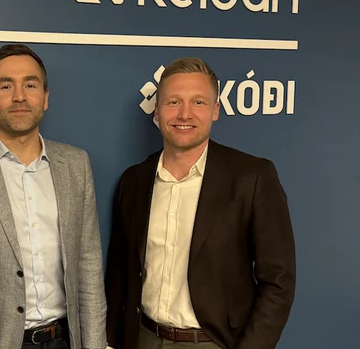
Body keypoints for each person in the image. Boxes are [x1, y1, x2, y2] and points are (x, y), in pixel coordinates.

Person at [105, 57, 296, 349]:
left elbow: (278, 282)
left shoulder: (252, 177)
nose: (185, 114)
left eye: (198, 102)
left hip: (215, 342)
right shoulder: (134, 181)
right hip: (142, 338)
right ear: (157, 110)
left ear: (215, 110)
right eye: (173, 102)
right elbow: (118, 275)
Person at [0, 44, 107, 349]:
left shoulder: (75, 164)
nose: (19, 96)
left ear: (45, 97)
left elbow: (89, 267)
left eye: (30, 85)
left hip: (63, 339)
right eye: (6, 86)